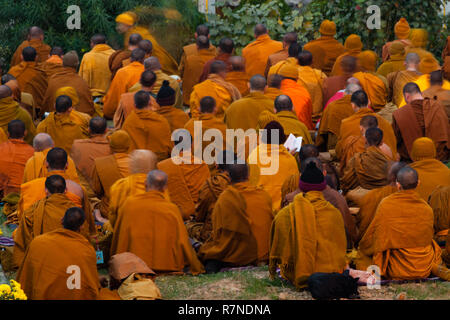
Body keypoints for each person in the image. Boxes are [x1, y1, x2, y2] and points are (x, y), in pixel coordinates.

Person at [356, 166, 446, 281]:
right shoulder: (426, 208)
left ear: (398, 185)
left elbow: (377, 237)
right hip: (424, 267)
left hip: (396, 270)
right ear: (418, 183)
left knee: (364, 254)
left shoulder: (386, 204)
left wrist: (363, 246)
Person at [269, 160, 347, 289]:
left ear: (301, 186)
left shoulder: (285, 214)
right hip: (330, 272)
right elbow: (340, 248)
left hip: (295, 273)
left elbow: (279, 246)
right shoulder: (334, 214)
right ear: (322, 186)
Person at [110, 170, 205, 275]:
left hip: (134, 266)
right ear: (165, 188)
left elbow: (119, 235)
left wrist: (114, 262)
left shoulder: (129, 204)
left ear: (145, 184)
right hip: (168, 267)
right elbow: (183, 241)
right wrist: (196, 266)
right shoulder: (172, 209)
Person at [198, 161, 273, 273]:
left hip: (241, 257)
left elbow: (219, 234)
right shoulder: (263, 195)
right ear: (248, 176)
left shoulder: (226, 198)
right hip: (265, 253)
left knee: (208, 252)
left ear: (228, 177)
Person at [16, 207, 100, 300]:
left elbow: (26, 277)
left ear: (61, 220)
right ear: (81, 227)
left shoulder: (38, 242)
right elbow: (90, 283)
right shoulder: (87, 250)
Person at [13, 175, 96, 268]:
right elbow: (85, 237)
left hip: (43, 260)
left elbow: (23, 239)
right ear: (65, 190)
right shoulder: (75, 212)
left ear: (46, 190)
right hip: (73, 261)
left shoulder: (32, 211)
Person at [281, 157, 358, 248]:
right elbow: (350, 231)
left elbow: (283, 233)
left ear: (300, 175)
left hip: (299, 252)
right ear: (324, 173)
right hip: (331, 253)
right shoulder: (337, 198)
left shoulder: (290, 198)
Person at [17, 148, 89, 219]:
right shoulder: (78, 189)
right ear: (67, 165)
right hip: (70, 229)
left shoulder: (31, 186)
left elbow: (22, 217)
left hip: (37, 229)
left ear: (46, 164)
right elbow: (85, 218)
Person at [157, 132, 210, 220]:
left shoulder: (163, 166)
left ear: (174, 145)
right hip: (196, 215)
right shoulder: (202, 165)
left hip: (172, 215)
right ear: (192, 145)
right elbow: (206, 193)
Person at [248, 121, 299, 211]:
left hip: (260, 208)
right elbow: (294, 186)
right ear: (282, 138)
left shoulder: (254, 155)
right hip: (284, 209)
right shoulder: (290, 160)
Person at [392, 82, 449, 162]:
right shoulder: (437, 106)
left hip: (412, 161)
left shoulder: (400, 114)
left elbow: (395, 140)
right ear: (420, 93)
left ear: (407, 96)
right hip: (439, 158)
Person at [185, 151, 232, 244]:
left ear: (216, 164)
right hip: (237, 235)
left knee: (186, 226)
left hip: (212, 235)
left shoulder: (212, 184)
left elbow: (199, 215)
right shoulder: (240, 183)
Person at [336, 90, 396, 160]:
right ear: (369, 102)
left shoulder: (346, 123)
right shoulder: (384, 122)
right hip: (384, 165)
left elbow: (340, 151)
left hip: (357, 166)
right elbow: (393, 148)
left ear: (353, 105)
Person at [356, 162, 407, 243]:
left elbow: (362, 224)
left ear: (390, 176)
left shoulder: (370, 196)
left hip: (376, 245)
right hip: (405, 246)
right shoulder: (412, 199)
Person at [115, 11, 179, 75]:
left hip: (159, 61)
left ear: (127, 25)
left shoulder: (137, 34)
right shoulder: (131, 33)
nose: (117, 27)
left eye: (120, 24)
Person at [108, 150, 158, 228]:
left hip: (127, 233)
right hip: (155, 231)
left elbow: (113, 218)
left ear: (131, 166)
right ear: (153, 167)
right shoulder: (159, 186)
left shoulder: (119, 185)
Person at [90, 130, 131, 220]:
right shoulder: (138, 163)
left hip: (109, 211)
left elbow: (96, 191)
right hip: (134, 210)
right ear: (128, 146)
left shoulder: (101, 163)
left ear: (110, 146)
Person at [122, 90, 172, 160]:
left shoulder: (128, 122)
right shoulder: (161, 121)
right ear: (150, 103)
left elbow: (124, 147)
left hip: (136, 163)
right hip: (158, 162)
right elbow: (168, 146)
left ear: (135, 105)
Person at [341, 128, 392, 196]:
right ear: (382, 142)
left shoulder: (356, 160)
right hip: (381, 196)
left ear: (365, 141)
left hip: (360, 198)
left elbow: (346, 182)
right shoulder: (387, 160)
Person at [42, 51, 95, 116]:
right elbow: (89, 108)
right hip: (77, 120)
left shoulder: (53, 79)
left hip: (55, 118)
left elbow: (46, 103)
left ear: (63, 64)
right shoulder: (82, 82)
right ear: (77, 65)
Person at [70, 117, 112, 191]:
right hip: (106, 189)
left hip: (84, 190)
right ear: (106, 130)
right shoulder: (111, 147)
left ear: (88, 129)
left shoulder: (77, 144)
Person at [316, 82, 361, 151]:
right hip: (357, 148)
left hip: (333, 148)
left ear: (344, 93)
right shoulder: (362, 107)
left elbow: (322, 130)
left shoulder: (332, 106)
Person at [103, 48, 145, 119]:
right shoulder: (147, 71)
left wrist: (107, 111)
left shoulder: (121, 72)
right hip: (144, 112)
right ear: (143, 60)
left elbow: (113, 97)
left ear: (130, 59)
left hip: (125, 113)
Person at [0, 120, 34, 195]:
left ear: (8, 134)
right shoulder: (32, 152)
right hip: (23, 194)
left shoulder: (1, 148)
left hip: (3, 194)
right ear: (25, 133)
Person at [181, 35, 216, 106]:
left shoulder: (190, 59)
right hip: (211, 98)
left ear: (196, 46)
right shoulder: (215, 59)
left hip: (191, 98)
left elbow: (181, 72)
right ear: (209, 46)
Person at [78, 34, 116, 98]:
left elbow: (83, 79)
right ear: (106, 43)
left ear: (92, 44)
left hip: (94, 97)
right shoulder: (115, 55)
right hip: (111, 96)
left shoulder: (88, 57)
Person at [279, 64, 313, 130]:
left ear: (280, 78)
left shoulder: (276, 91)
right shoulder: (304, 91)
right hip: (301, 130)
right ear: (297, 79)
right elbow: (309, 114)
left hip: (279, 132)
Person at [296, 50, 327, 122]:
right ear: (312, 61)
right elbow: (327, 89)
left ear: (297, 62)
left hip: (300, 114)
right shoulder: (320, 74)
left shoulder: (294, 75)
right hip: (317, 115)